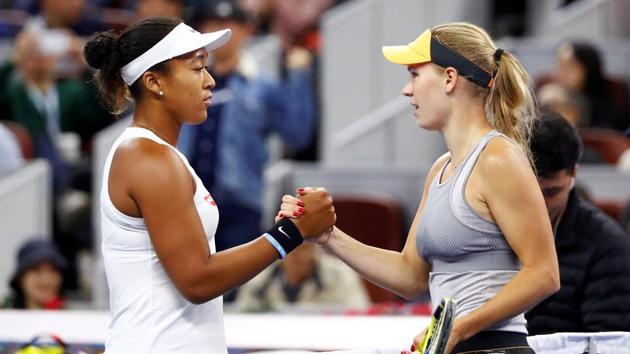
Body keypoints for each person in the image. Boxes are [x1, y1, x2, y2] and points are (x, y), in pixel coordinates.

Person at [280, 22, 560, 353]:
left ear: (450, 78)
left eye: (414, 75)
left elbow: (544, 274)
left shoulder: (498, 158)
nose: (406, 90)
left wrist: (457, 328)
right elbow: (410, 276)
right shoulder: (440, 168)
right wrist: (327, 235)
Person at [83, 16, 335, 353]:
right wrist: (291, 234)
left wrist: (289, 228)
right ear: (155, 81)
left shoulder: (155, 154)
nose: (210, 80)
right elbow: (197, 280)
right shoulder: (149, 159)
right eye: (197, 68)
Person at [178, 0, 316, 253]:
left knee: (234, 285)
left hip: (240, 202)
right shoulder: (186, 80)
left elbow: (297, 135)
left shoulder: (261, 85)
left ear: (245, 31)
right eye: (213, 25)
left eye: (229, 26)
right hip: (188, 201)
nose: (221, 35)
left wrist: (299, 78)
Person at [525, 110, 630, 334]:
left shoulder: (607, 246)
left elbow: (606, 341)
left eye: (551, 192)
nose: (539, 204)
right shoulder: (487, 226)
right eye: (529, 191)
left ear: (574, 172)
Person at [234, 243, 370, 312]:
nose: (300, 255)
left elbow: (359, 319)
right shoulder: (259, 279)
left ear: (316, 246)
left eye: (305, 247)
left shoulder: (341, 275)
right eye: (292, 248)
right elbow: (244, 322)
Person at [554, 41, 629, 132]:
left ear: (588, 68)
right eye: (559, 65)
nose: (560, 73)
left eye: (569, 66)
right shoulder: (548, 97)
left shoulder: (612, 105)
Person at [3, 239, 67, 310]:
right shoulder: (5, 314)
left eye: (53, 270)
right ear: (20, 278)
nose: (46, 280)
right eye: (36, 270)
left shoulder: (73, 316)